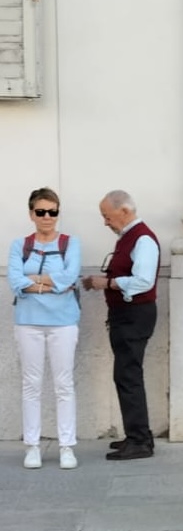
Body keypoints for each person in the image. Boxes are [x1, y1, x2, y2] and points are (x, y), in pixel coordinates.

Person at [81, 190, 159, 461]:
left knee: (128, 375)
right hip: (127, 314)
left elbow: (143, 281)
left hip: (134, 315)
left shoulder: (143, 239)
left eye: (107, 216)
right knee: (126, 375)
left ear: (124, 211)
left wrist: (109, 283)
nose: (105, 222)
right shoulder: (129, 238)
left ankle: (139, 440)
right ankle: (138, 435)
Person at [8, 188, 82, 470]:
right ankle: (33, 446)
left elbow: (70, 276)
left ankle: (66, 445)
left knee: (64, 384)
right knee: (31, 384)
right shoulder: (19, 245)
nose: (47, 217)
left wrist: (34, 281)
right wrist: (50, 285)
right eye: (41, 212)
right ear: (31, 214)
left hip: (63, 322)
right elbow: (15, 280)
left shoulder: (70, 243)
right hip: (28, 322)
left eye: (53, 211)